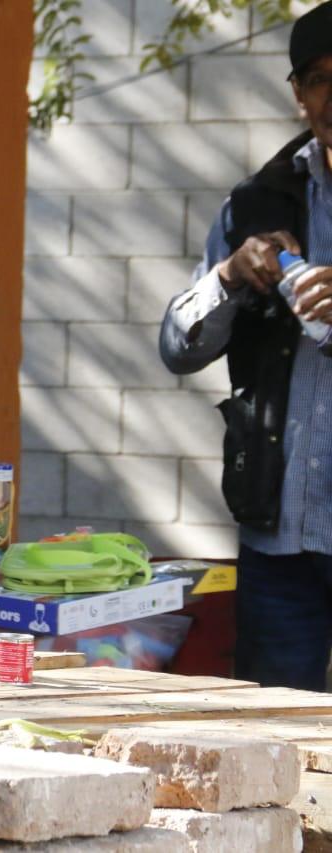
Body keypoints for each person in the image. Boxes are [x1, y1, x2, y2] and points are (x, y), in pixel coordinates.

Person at [159, 1, 332, 691]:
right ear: (297, 93)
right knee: (274, 754)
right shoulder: (258, 203)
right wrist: (231, 276)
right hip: (280, 542)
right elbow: (177, 347)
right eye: (319, 78)